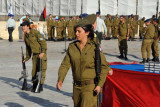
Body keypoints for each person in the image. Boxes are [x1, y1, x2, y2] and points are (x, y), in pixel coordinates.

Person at [56, 19, 112, 107]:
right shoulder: (72, 47)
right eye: (76, 31)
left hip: (90, 88)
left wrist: (99, 85)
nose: (76, 33)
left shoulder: (95, 48)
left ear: (87, 33)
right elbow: (65, 65)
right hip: (76, 87)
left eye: (79, 31)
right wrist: (60, 79)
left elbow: (104, 66)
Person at [21, 21, 47, 93]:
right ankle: (35, 85)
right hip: (34, 55)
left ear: (28, 26)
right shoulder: (26, 36)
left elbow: (43, 43)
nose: (23, 28)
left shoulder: (35, 33)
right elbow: (28, 49)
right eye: (22, 26)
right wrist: (26, 58)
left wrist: (42, 52)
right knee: (34, 71)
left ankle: (40, 86)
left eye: (24, 26)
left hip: (41, 55)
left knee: (41, 70)